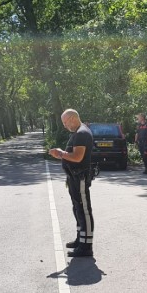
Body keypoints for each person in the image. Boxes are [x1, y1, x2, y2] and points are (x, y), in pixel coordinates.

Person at [48, 109, 95, 257]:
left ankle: (86, 246)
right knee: (77, 209)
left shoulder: (82, 133)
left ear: (73, 118)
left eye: (65, 122)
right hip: (74, 177)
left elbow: (78, 157)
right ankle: (80, 240)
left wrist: (60, 153)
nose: (64, 126)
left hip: (80, 176)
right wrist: (62, 155)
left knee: (83, 209)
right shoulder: (78, 133)